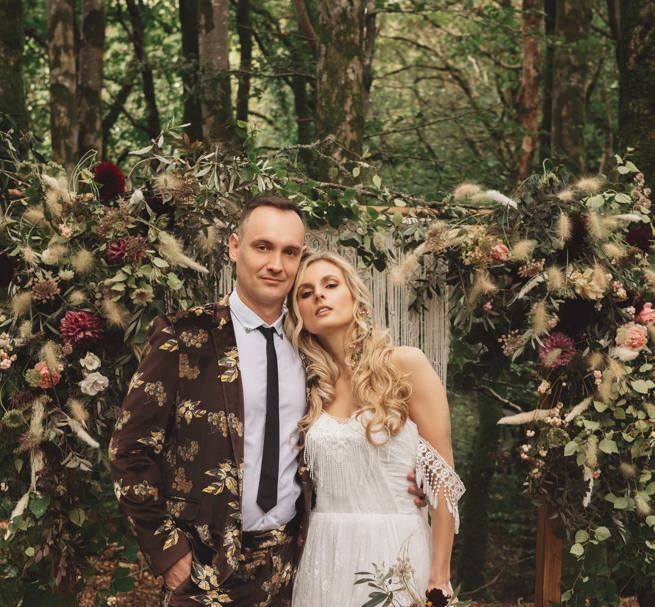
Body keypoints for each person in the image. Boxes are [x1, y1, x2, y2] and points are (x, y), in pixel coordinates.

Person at [109, 196, 426, 607]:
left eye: (289, 252)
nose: (276, 264)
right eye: (263, 247)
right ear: (234, 247)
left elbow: (355, 429)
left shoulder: (314, 348)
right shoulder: (183, 336)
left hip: (292, 567)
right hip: (203, 565)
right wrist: (169, 552)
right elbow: (129, 451)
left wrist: (415, 472)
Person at [287, 251, 465, 607]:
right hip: (327, 552)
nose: (318, 295)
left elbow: (442, 478)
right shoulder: (307, 386)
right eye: (305, 293)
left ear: (355, 296)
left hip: (396, 547)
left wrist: (439, 577)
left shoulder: (405, 364)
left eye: (330, 285)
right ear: (299, 316)